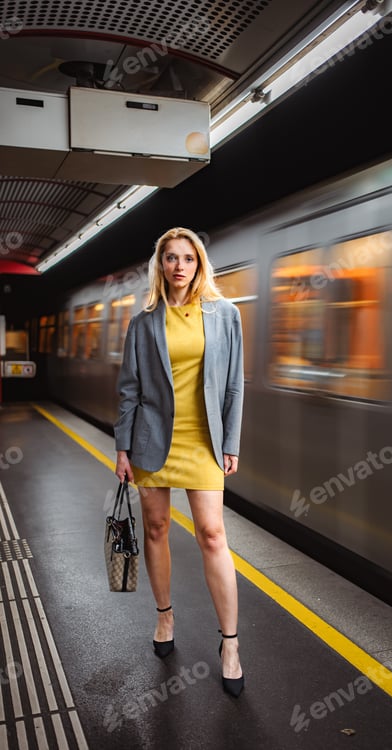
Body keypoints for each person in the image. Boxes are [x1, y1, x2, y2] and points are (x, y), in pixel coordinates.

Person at [114, 227, 245, 698]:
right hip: (152, 440)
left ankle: (229, 644)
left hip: (204, 441)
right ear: (161, 265)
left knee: (213, 533)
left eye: (187, 257)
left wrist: (230, 440)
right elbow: (130, 389)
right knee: (156, 528)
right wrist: (123, 447)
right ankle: (165, 615)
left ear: (199, 263)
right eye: (170, 257)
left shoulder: (225, 315)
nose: (179, 266)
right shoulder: (144, 320)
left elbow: (234, 385)